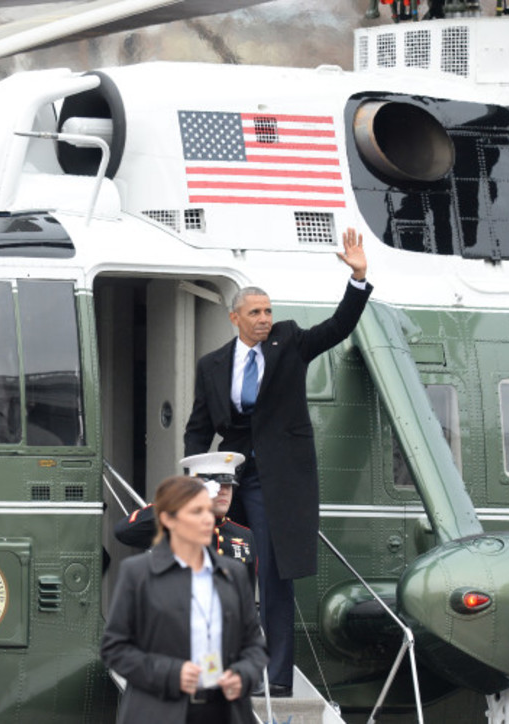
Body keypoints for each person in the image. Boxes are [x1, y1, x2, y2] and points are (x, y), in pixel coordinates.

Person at [183, 227, 372, 696]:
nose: (265, 318)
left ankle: (278, 679)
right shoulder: (212, 365)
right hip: (227, 478)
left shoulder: (288, 342)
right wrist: (192, 479)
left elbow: (337, 328)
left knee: (273, 575)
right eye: (256, 312)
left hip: (274, 480)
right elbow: (199, 424)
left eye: (268, 310)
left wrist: (358, 279)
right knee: (221, 573)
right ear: (235, 318)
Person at [101, 475, 268, 724]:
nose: (206, 519)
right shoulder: (138, 574)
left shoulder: (231, 573)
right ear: (169, 520)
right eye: (195, 511)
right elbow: (114, 649)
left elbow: (254, 645)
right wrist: (171, 673)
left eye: (207, 511)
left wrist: (242, 674)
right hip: (158, 711)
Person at [114, 452, 257, 591]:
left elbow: (247, 592)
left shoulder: (244, 535)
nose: (224, 491)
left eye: (229, 485)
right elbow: (124, 531)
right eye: (219, 485)